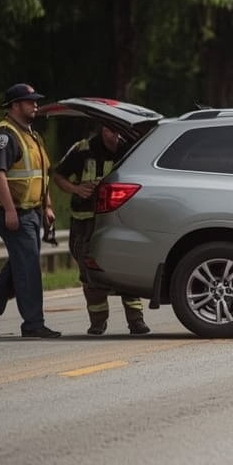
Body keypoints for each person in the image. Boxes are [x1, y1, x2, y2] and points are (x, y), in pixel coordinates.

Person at [0, 83, 61, 338]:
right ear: (15, 105)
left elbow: (41, 173)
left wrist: (47, 205)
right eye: (30, 101)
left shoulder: (31, 134)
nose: (35, 105)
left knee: (21, 265)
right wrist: (9, 210)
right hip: (14, 212)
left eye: (35, 101)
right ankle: (33, 324)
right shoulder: (4, 136)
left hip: (31, 211)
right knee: (28, 267)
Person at [51, 125, 149, 335]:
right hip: (86, 222)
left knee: (126, 269)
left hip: (121, 221)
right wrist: (77, 189)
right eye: (111, 131)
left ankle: (136, 321)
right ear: (102, 130)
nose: (116, 136)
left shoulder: (131, 150)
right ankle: (97, 322)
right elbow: (58, 176)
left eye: (118, 131)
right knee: (90, 273)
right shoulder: (83, 150)